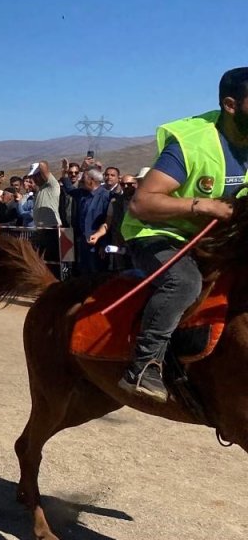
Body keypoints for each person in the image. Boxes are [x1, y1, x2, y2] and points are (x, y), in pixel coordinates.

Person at [117, 67, 248, 402]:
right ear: (231, 105)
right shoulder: (191, 144)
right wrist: (203, 206)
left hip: (212, 238)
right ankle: (144, 367)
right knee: (184, 283)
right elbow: (142, 203)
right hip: (157, 232)